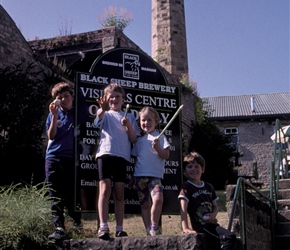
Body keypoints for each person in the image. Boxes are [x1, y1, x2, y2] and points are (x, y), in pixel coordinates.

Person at [94, 83, 140, 240]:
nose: (114, 99)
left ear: (123, 99)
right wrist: (102, 109)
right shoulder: (105, 114)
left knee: (119, 193)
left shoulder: (130, 116)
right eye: (111, 97)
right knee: (105, 190)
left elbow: (133, 139)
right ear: (106, 99)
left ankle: (120, 228)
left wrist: (128, 126)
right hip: (105, 154)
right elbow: (98, 119)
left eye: (117, 97)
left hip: (122, 157)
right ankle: (103, 226)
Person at [45, 82, 82, 241]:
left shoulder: (78, 113)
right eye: (60, 98)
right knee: (55, 193)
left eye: (66, 96)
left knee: (72, 192)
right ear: (56, 101)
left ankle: (76, 224)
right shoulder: (54, 114)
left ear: (72, 97)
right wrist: (53, 117)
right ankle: (59, 227)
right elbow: (51, 136)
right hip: (53, 157)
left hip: (72, 158)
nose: (64, 99)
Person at [178, 151, 236, 250]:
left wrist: (213, 214)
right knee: (229, 236)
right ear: (185, 171)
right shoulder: (186, 187)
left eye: (197, 166)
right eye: (190, 166)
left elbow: (216, 206)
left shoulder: (209, 187)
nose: (193, 169)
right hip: (202, 226)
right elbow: (183, 209)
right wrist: (185, 228)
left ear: (202, 169)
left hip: (213, 224)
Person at [131, 106, 170, 236]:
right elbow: (136, 159)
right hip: (139, 177)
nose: (146, 123)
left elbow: (166, 155)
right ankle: (149, 230)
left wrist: (157, 147)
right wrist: (132, 177)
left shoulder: (160, 137)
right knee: (144, 204)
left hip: (154, 177)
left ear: (156, 122)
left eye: (149, 120)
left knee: (158, 199)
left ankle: (154, 225)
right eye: (143, 120)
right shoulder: (139, 141)